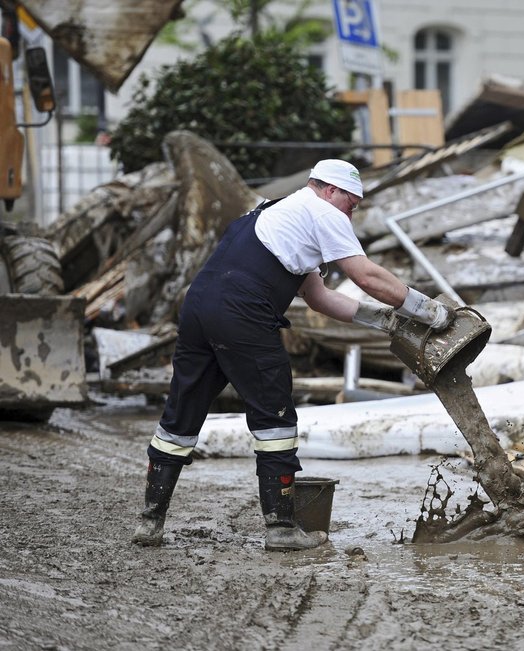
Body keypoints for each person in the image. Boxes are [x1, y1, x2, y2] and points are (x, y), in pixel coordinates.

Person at [131, 159, 454, 552]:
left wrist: (387, 322)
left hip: (200, 306)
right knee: (274, 415)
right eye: (352, 204)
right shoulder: (322, 211)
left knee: (182, 412)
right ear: (331, 190)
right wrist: (428, 311)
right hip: (243, 311)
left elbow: (319, 299)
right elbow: (365, 276)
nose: (351, 214)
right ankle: (282, 528)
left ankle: (150, 522)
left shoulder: (279, 212)